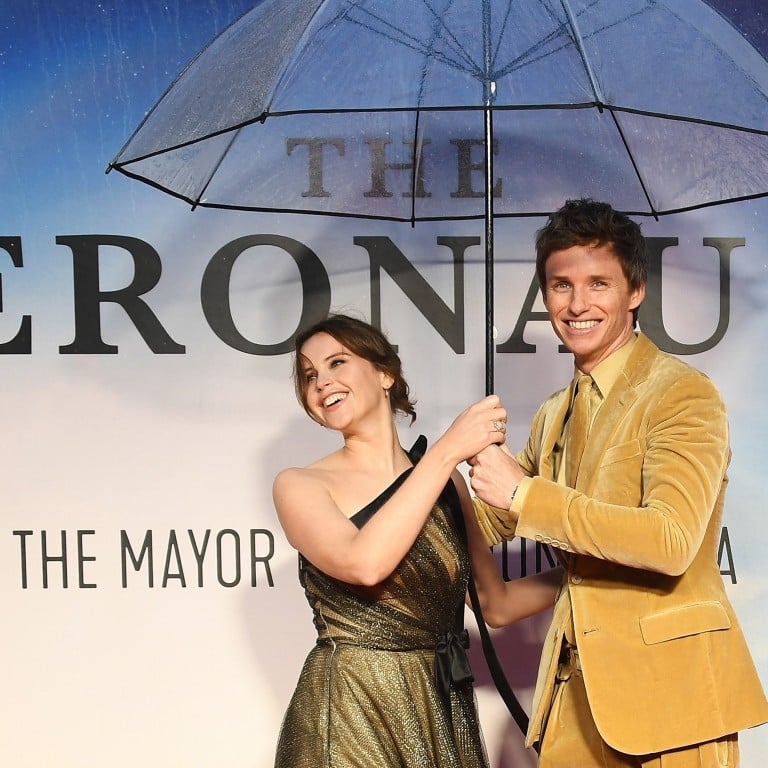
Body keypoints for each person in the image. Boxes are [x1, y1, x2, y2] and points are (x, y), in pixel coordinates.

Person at [467, 199, 768, 767]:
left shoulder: (681, 394)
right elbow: (490, 522)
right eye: (560, 286)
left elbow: (671, 539)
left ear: (635, 291)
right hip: (572, 704)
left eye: (597, 283)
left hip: (671, 704)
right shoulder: (555, 412)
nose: (577, 304)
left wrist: (524, 493)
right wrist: (433, 462)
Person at [272, 313, 559, 768]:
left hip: (438, 705)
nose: (322, 382)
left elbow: (494, 604)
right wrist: (447, 451)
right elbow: (365, 563)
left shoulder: (446, 487)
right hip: (351, 709)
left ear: (385, 374)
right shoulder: (299, 485)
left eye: (337, 363)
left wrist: (583, 577)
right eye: (310, 376)